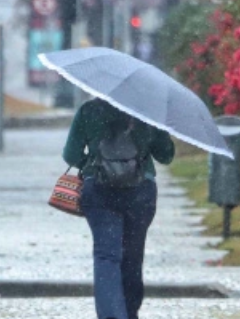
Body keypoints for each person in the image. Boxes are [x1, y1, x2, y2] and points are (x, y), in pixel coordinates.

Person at [63, 97, 175, 319]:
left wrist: (92, 165)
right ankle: (129, 312)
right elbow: (166, 155)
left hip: (99, 190)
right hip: (140, 191)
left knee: (106, 255)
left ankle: (112, 315)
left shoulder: (89, 110)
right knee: (133, 256)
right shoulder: (147, 110)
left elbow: (70, 154)